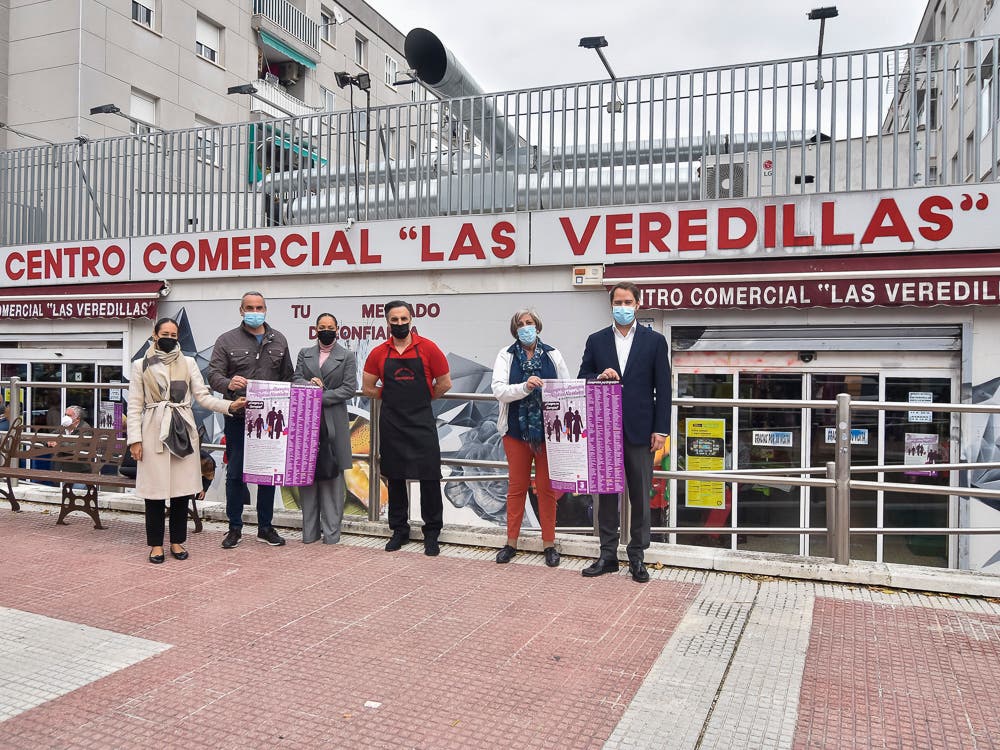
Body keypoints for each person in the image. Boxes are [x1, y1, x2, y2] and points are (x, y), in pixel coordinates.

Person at [128, 318, 245, 564]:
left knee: (181, 492)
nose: (170, 337)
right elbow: (135, 404)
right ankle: (156, 545)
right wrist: (135, 440)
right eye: (165, 333)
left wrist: (229, 406)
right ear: (155, 335)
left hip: (183, 430)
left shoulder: (189, 362)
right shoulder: (141, 365)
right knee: (156, 493)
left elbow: (203, 397)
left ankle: (177, 541)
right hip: (153, 431)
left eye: (174, 334)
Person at [578, 281, 671, 583]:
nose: (623, 307)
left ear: (637, 305)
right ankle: (607, 555)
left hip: (642, 430)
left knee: (641, 495)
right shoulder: (596, 340)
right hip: (606, 430)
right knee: (606, 495)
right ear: (611, 306)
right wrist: (599, 377)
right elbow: (583, 379)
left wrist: (661, 429)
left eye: (628, 302)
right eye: (618, 302)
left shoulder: (654, 341)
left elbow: (664, 389)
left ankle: (637, 557)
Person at [362, 300, 452, 556]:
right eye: (394, 320)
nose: (399, 324)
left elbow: (445, 383)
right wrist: (391, 396)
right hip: (392, 422)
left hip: (421, 421)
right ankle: (399, 530)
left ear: (411, 320)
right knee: (395, 476)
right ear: (387, 322)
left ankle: (432, 533)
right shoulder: (379, 352)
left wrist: (423, 398)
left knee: (430, 477)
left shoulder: (429, 348)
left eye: (404, 320)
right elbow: (368, 387)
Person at [208, 290, 294, 549]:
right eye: (250, 308)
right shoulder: (226, 340)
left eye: (259, 307)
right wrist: (228, 383)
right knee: (235, 473)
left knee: (268, 474)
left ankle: (265, 527)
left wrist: (308, 385)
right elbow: (213, 374)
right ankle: (234, 528)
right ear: (241, 310)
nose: (255, 312)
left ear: (265, 309)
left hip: (270, 422)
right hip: (239, 417)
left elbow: (288, 377)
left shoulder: (278, 339)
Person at [491, 309, 570, 567]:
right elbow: (499, 390)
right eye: (521, 324)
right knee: (516, 488)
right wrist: (525, 388)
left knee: (547, 490)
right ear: (515, 330)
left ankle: (549, 544)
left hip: (549, 432)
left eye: (530, 323)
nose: (526, 327)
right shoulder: (506, 355)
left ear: (538, 326)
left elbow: (567, 388)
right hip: (515, 431)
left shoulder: (552, 354)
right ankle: (510, 542)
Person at [293, 312, 357, 545]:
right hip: (306, 421)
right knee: (307, 477)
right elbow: (295, 378)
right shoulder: (304, 353)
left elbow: (349, 388)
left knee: (332, 477)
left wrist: (320, 395)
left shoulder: (347, 356)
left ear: (337, 329)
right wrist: (308, 386)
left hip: (333, 421)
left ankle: (331, 535)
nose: (326, 330)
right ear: (315, 329)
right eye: (322, 326)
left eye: (330, 326)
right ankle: (309, 534)